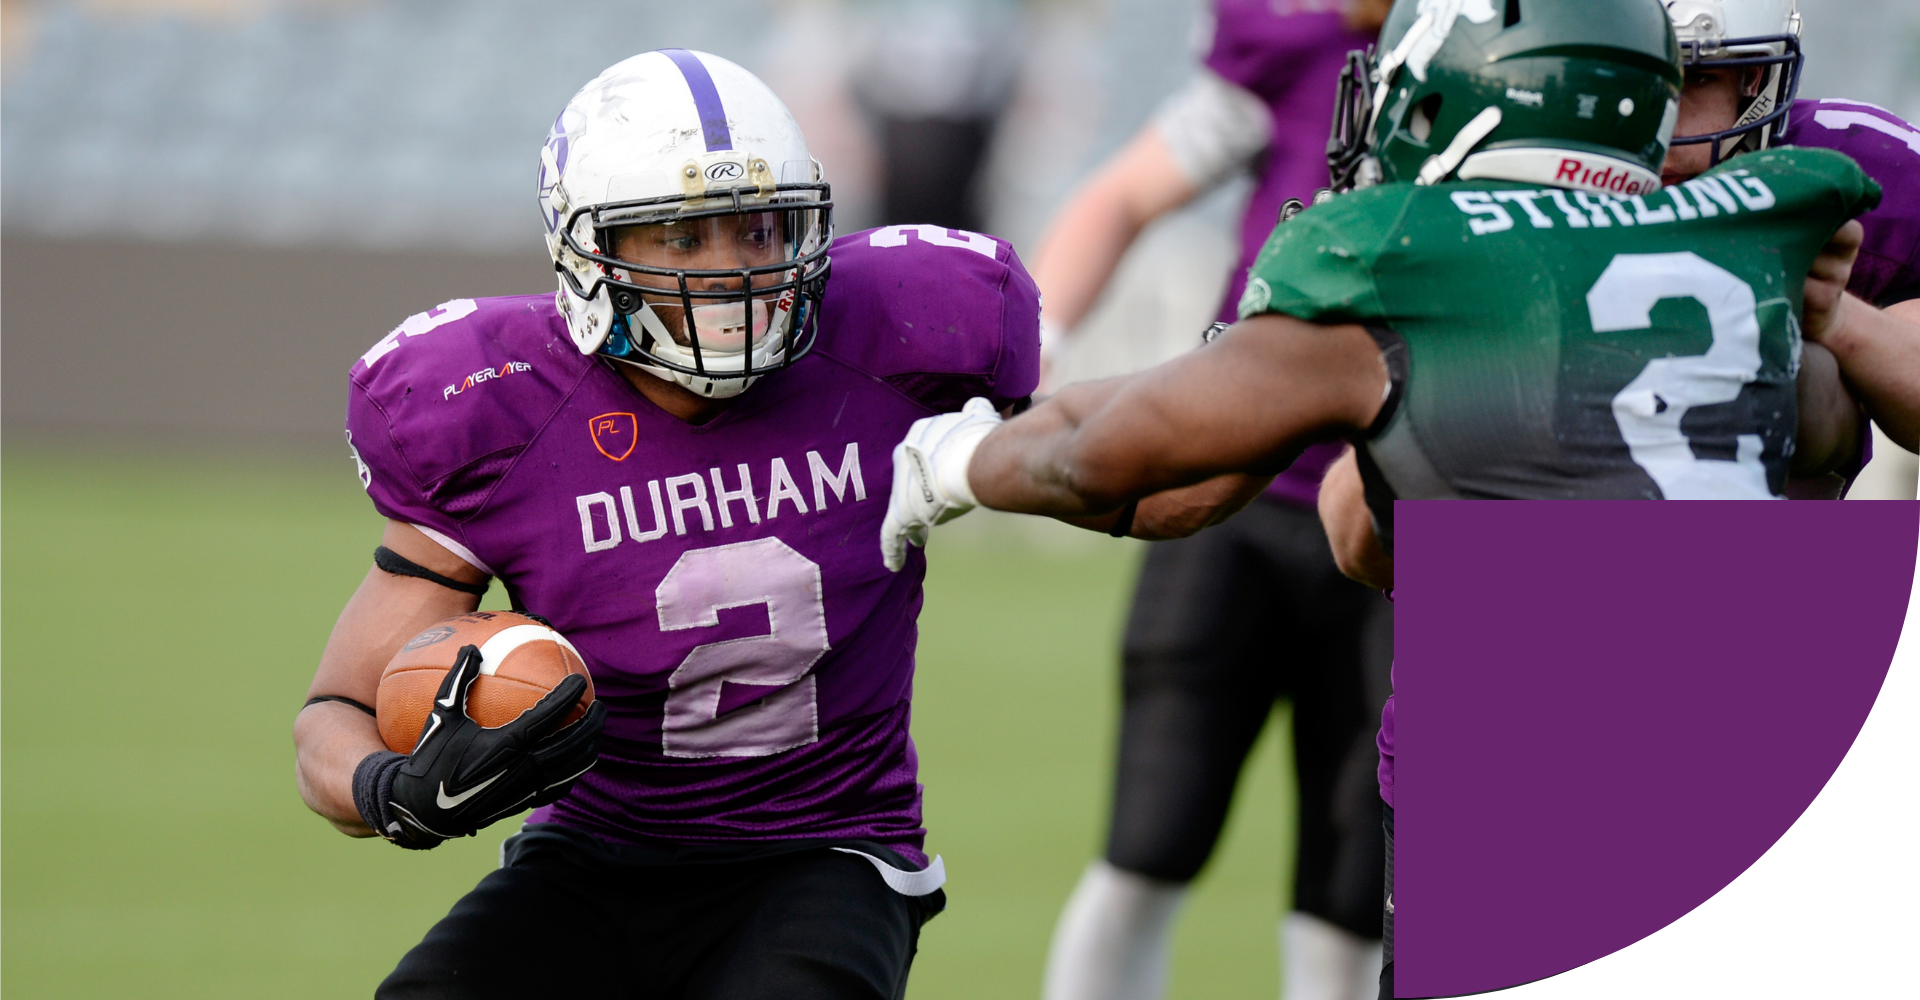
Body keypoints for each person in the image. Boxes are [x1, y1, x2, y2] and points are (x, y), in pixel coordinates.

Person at [877, 4, 1879, 1000]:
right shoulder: (1780, 214)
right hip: (1774, 760)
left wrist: (948, 463)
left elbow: (1103, 456)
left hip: (1536, 771)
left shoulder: (1412, 252)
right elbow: (1828, 435)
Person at [292, 49, 1042, 999]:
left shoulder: (897, 330)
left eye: (757, 229)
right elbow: (334, 715)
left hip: (827, 849)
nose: (730, 271)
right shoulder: (494, 405)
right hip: (594, 852)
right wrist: (390, 790)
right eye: (682, 238)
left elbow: (1118, 481)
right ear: (587, 253)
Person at [1028, 2, 1394, 998]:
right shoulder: (1300, 47)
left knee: (1350, 911)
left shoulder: (1523, 74)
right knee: (1143, 854)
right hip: (1236, 501)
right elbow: (1123, 195)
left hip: (1400, 535)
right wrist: (1031, 350)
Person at [1659, 0, 1920, 460]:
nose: (1656, 126)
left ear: (1753, 78)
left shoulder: (1835, 174)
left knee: (1805, 369)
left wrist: (1835, 318)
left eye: (1694, 78)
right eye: (1615, 80)